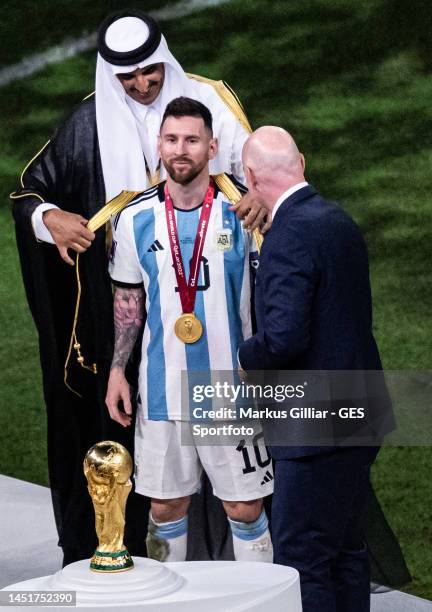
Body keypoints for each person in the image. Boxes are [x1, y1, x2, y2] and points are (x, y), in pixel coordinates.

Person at [10, 9, 265, 566]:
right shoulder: (88, 122)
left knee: (246, 494)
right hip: (123, 301)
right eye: (129, 77)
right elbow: (31, 193)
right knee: (158, 483)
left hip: (223, 310)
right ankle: (128, 561)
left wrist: (260, 194)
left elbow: (268, 172)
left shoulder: (210, 102)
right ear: (111, 74)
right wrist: (48, 218)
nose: (143, 85)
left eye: (151, 72)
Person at [106, 97, 274, 563]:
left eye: (192, 140)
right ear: (159, 145)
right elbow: (128, 302)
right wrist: (118, 370)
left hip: (232, 389)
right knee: (165, 507)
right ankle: (167, 599)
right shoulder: (133, 218)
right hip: (161, 391)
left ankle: (257, 601)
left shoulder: (244, 211)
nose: (181, 150)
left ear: (212, 147)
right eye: (172, 139)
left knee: (244, 507)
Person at [238, 126, 396, 611]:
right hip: (358, 414)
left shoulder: (288, 235)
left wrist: (248, 357)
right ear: (300, 163)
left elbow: (285, 337)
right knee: (346, 550)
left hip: (314, 431)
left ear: (249, 177)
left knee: (303, 560)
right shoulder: (338, 220)